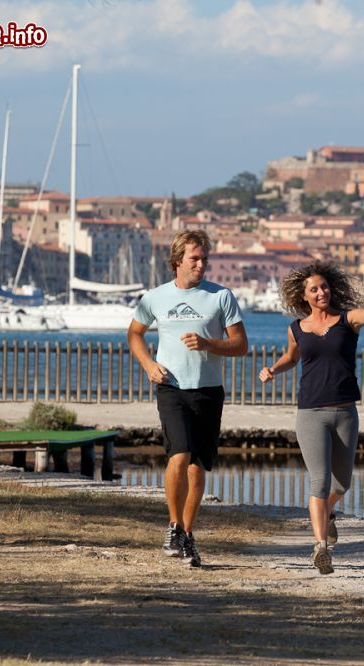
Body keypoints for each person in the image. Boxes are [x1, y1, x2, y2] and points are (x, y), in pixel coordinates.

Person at [259, 261, 364, 574]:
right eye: (314, 289)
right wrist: (273, 369)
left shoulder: (348, 321)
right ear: (304, 296)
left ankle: (327, 514)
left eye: (324, 287)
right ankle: (320, 547)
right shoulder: (296, 329)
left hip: (345, 412)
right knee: (319, 479)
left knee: (342, 483)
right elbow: (291, 357)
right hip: (310, 413)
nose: (321, 293)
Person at [127, 230, 247, 567]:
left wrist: (210, 344)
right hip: (171, 386)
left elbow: (241, 345)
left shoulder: (221, 297)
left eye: (205, 258)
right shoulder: (155, 297)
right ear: (178, 260)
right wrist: (148, 364)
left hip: (208, 390)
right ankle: (173, 525)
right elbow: (135, 333)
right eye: (195, 258)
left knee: (197, 467)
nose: (201, 264)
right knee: (179, 455)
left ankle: (188, 535)